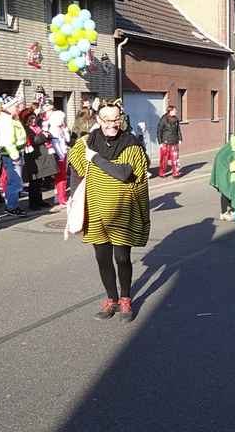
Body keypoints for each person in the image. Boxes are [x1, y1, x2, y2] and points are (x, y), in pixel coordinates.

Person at [68, 104, 151, 323]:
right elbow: (75, 169)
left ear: (121, 119)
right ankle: (111, 299)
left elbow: (123, 173)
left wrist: (94, 158)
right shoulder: (86, 142)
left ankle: (125, 299)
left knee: (122, 258)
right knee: (102, 258)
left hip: (123, 209)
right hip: (95, 210)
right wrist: (74, 196)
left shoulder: (131, 144)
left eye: (115, 119)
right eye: (106, 119)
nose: (111, 124)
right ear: (98, 119)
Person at [20, 109, 58, 210]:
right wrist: (43, 136)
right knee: (34, 182)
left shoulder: (36, 127)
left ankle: (39, 200)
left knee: (39, 181)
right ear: (26, 120)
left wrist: (47, 135)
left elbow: (40, 137)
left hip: (40, 157)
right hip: (33, 158)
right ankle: (33, 203)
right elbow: (34, 140)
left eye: (34, 118)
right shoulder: (26, 129)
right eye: (31, 118)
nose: (34, 120)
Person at [48, 109, 71, 207]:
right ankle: (62, 199)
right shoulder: (53, 130)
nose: (63, 121)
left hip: (63, 154)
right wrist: (61, 155)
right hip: (59, 156)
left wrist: (65, 130)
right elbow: (55, 144)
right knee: (61, 178)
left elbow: (68, 139)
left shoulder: (60, 129)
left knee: (61, 177)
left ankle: (58, 197)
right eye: (62, 119)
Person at [157, 105, 183, 178]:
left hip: (174, 141)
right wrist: (160, 142)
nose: (176, 111)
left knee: (175, 159)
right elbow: (159, 131)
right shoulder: (164, 119)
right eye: (174, 110)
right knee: (164, 159)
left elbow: (178, 130)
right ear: (170, 111)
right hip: (165, 142)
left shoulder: (176, 119)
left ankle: (176, 173)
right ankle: (162, 173)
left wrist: (180, 138)